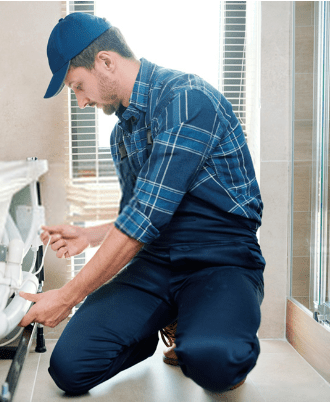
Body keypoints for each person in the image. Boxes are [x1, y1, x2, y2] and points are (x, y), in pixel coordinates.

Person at [19, 12, 266, 395]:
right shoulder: (123, 135)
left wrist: (67, 296)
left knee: (213, 360)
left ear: (105, 62)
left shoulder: (186, 99)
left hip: (220, 257)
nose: (81, 101)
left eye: (78, 86)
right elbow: (142, 214)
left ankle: (197, 326)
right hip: (156, 261)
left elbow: (144, 219)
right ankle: (166, 319)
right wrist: (90, 234)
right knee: (69, 368)